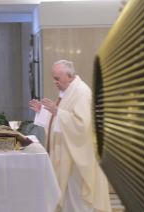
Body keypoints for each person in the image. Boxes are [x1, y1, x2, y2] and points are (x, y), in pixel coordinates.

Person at [29, 60, 111, 212]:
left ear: (68, 75)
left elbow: (82, 125)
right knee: (66, 198)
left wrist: (57, 112)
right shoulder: (69, 91)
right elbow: (63, 119)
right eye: (53, 78)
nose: (54, 82)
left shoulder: (82, 92)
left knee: (76, 199)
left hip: (76, 159)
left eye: (57, 79)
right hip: (68, 154)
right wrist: (46, 112)